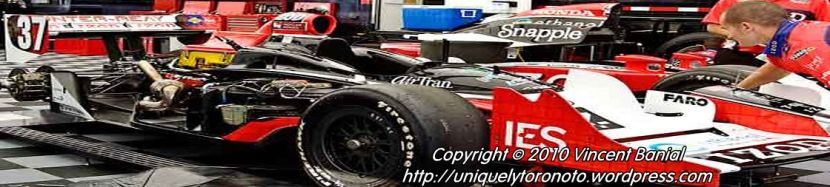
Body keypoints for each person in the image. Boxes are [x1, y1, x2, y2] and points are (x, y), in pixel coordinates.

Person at [718, 1, 830, 89]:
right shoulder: (788, 39)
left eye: (727, 29)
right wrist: (739, 89)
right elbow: (779, 67)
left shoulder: (809, 44)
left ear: (746, 27)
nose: (729, 36)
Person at [701, 0, 830, 66]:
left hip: (794, 55)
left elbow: (825, 31)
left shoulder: (816, 2)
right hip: (742, 53)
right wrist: (740, 35)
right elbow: (713, 26)